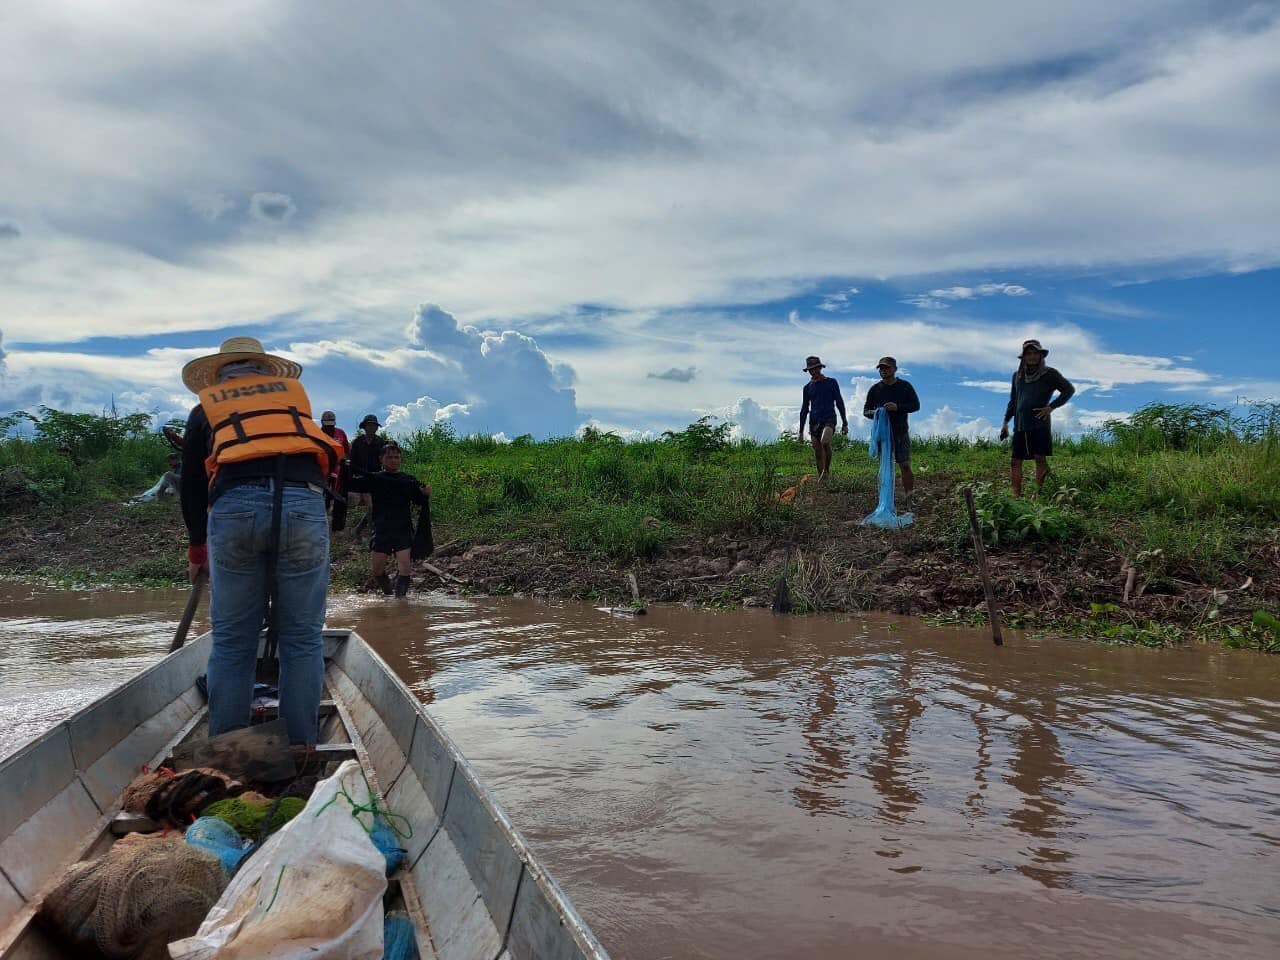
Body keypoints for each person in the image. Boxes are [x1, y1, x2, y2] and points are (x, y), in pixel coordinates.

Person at [179, 337, 344, 745]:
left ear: (219, 375)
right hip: (305, 505)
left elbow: (193, 485)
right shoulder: (290, 405)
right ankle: (301, 748)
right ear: (267, 372)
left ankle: (229, 751)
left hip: (236, 507)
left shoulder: (205, 409)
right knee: (302, 639)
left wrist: (197, 548)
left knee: (234, 641)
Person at [345, 441, 431, 597]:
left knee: (405, 569)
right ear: (381, 459)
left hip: (402, 528)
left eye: (396, 457)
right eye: (389, 457)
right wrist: (345, 467)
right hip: (381, 529)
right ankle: (389, 595)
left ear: (400, 459)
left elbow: (419, 500)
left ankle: (400, 601)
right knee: (377, 571)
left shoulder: (408, 480)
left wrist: (425, 494)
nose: (393, 460)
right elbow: (351, 484)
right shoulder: (374, 479)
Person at [1000, 339, 1075, 497]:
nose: (1032, 356)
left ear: (1041, 355)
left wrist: (1051, 407)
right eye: (1029, 353)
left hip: (1039, 424)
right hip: (1020, 425)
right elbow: (1013, 400)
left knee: (1039, 458)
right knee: (1015, 461)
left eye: (1035, 353)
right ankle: (1015, 496)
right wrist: (1005, 422)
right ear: (1023, 357)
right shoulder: (1017, 376)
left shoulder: (1049, 374)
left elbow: (1068, 389)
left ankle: (1037, 494)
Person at [862, 356, 921, 498]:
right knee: (885, 467)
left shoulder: (905, 386)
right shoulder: (875, 389)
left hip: (900, 432)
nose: (883, 370)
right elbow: (866, 411)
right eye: (881, 368)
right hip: (882, 434)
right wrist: (877, 412)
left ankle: (909, 495)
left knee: (905, 464)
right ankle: (886, 497)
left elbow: (915, 405)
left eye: (887, 368)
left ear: (894, 369)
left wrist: (897, 407)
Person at [798, 356, 848, 481]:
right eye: (811, 369)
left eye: (815, 368)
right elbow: (804, 409)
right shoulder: (807, 388)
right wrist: (801, 431)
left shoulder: (831, 382)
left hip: (829, 418)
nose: (813, 371)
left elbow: (839, 402)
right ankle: (822, 479)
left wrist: (845, 423)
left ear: (820, 368)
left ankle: (826, 471)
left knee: (825, 442)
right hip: (814, 421)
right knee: (817, 451)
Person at [349, 414, 386, 536]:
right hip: (361, 478)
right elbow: (352, 462)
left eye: (374, 426)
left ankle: (358, 530)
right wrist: (353, 477)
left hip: (376, 478)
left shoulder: (380, 443)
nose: (371, 428)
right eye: (369, 425)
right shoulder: (357, 442)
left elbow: (384, 460)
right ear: (364, 427)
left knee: (376, 506)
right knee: (371, 506)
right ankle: (373, 535)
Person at [320, 411, 350, 530]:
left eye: (331, 425)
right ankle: (322, 524)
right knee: (323, 499)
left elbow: (347, 451)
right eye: (326, 425)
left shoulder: (340, 433)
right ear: (322, 423)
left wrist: (345, 460)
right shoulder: (317, 434)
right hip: (322, 472)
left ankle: (337, 527)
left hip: (338, 472)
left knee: (339, 498)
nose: (329, 428)